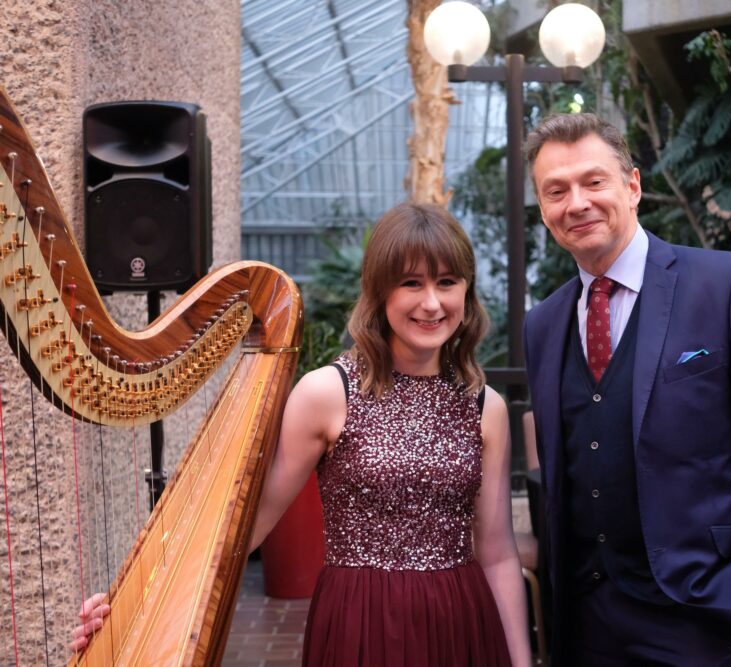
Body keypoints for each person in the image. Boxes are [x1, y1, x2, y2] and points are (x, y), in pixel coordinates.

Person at [72, 203, 532, 667]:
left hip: (461, 622)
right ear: (380, 292)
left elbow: (496, 553)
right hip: (361, 625)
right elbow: (245, 527)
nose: (432, 302)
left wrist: (520, 661)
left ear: (466, 292)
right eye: (411, 282)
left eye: (447, 282)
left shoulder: (484, 406)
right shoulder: (327, 393)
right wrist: (131, 601)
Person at [521, 112, 731, 666]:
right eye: (555, 191)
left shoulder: (729, 284)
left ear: (632, 186)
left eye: (594, 181)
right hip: (584, 625)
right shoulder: (542, 325)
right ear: (543, 210)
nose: (577, 203)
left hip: (698, 619)